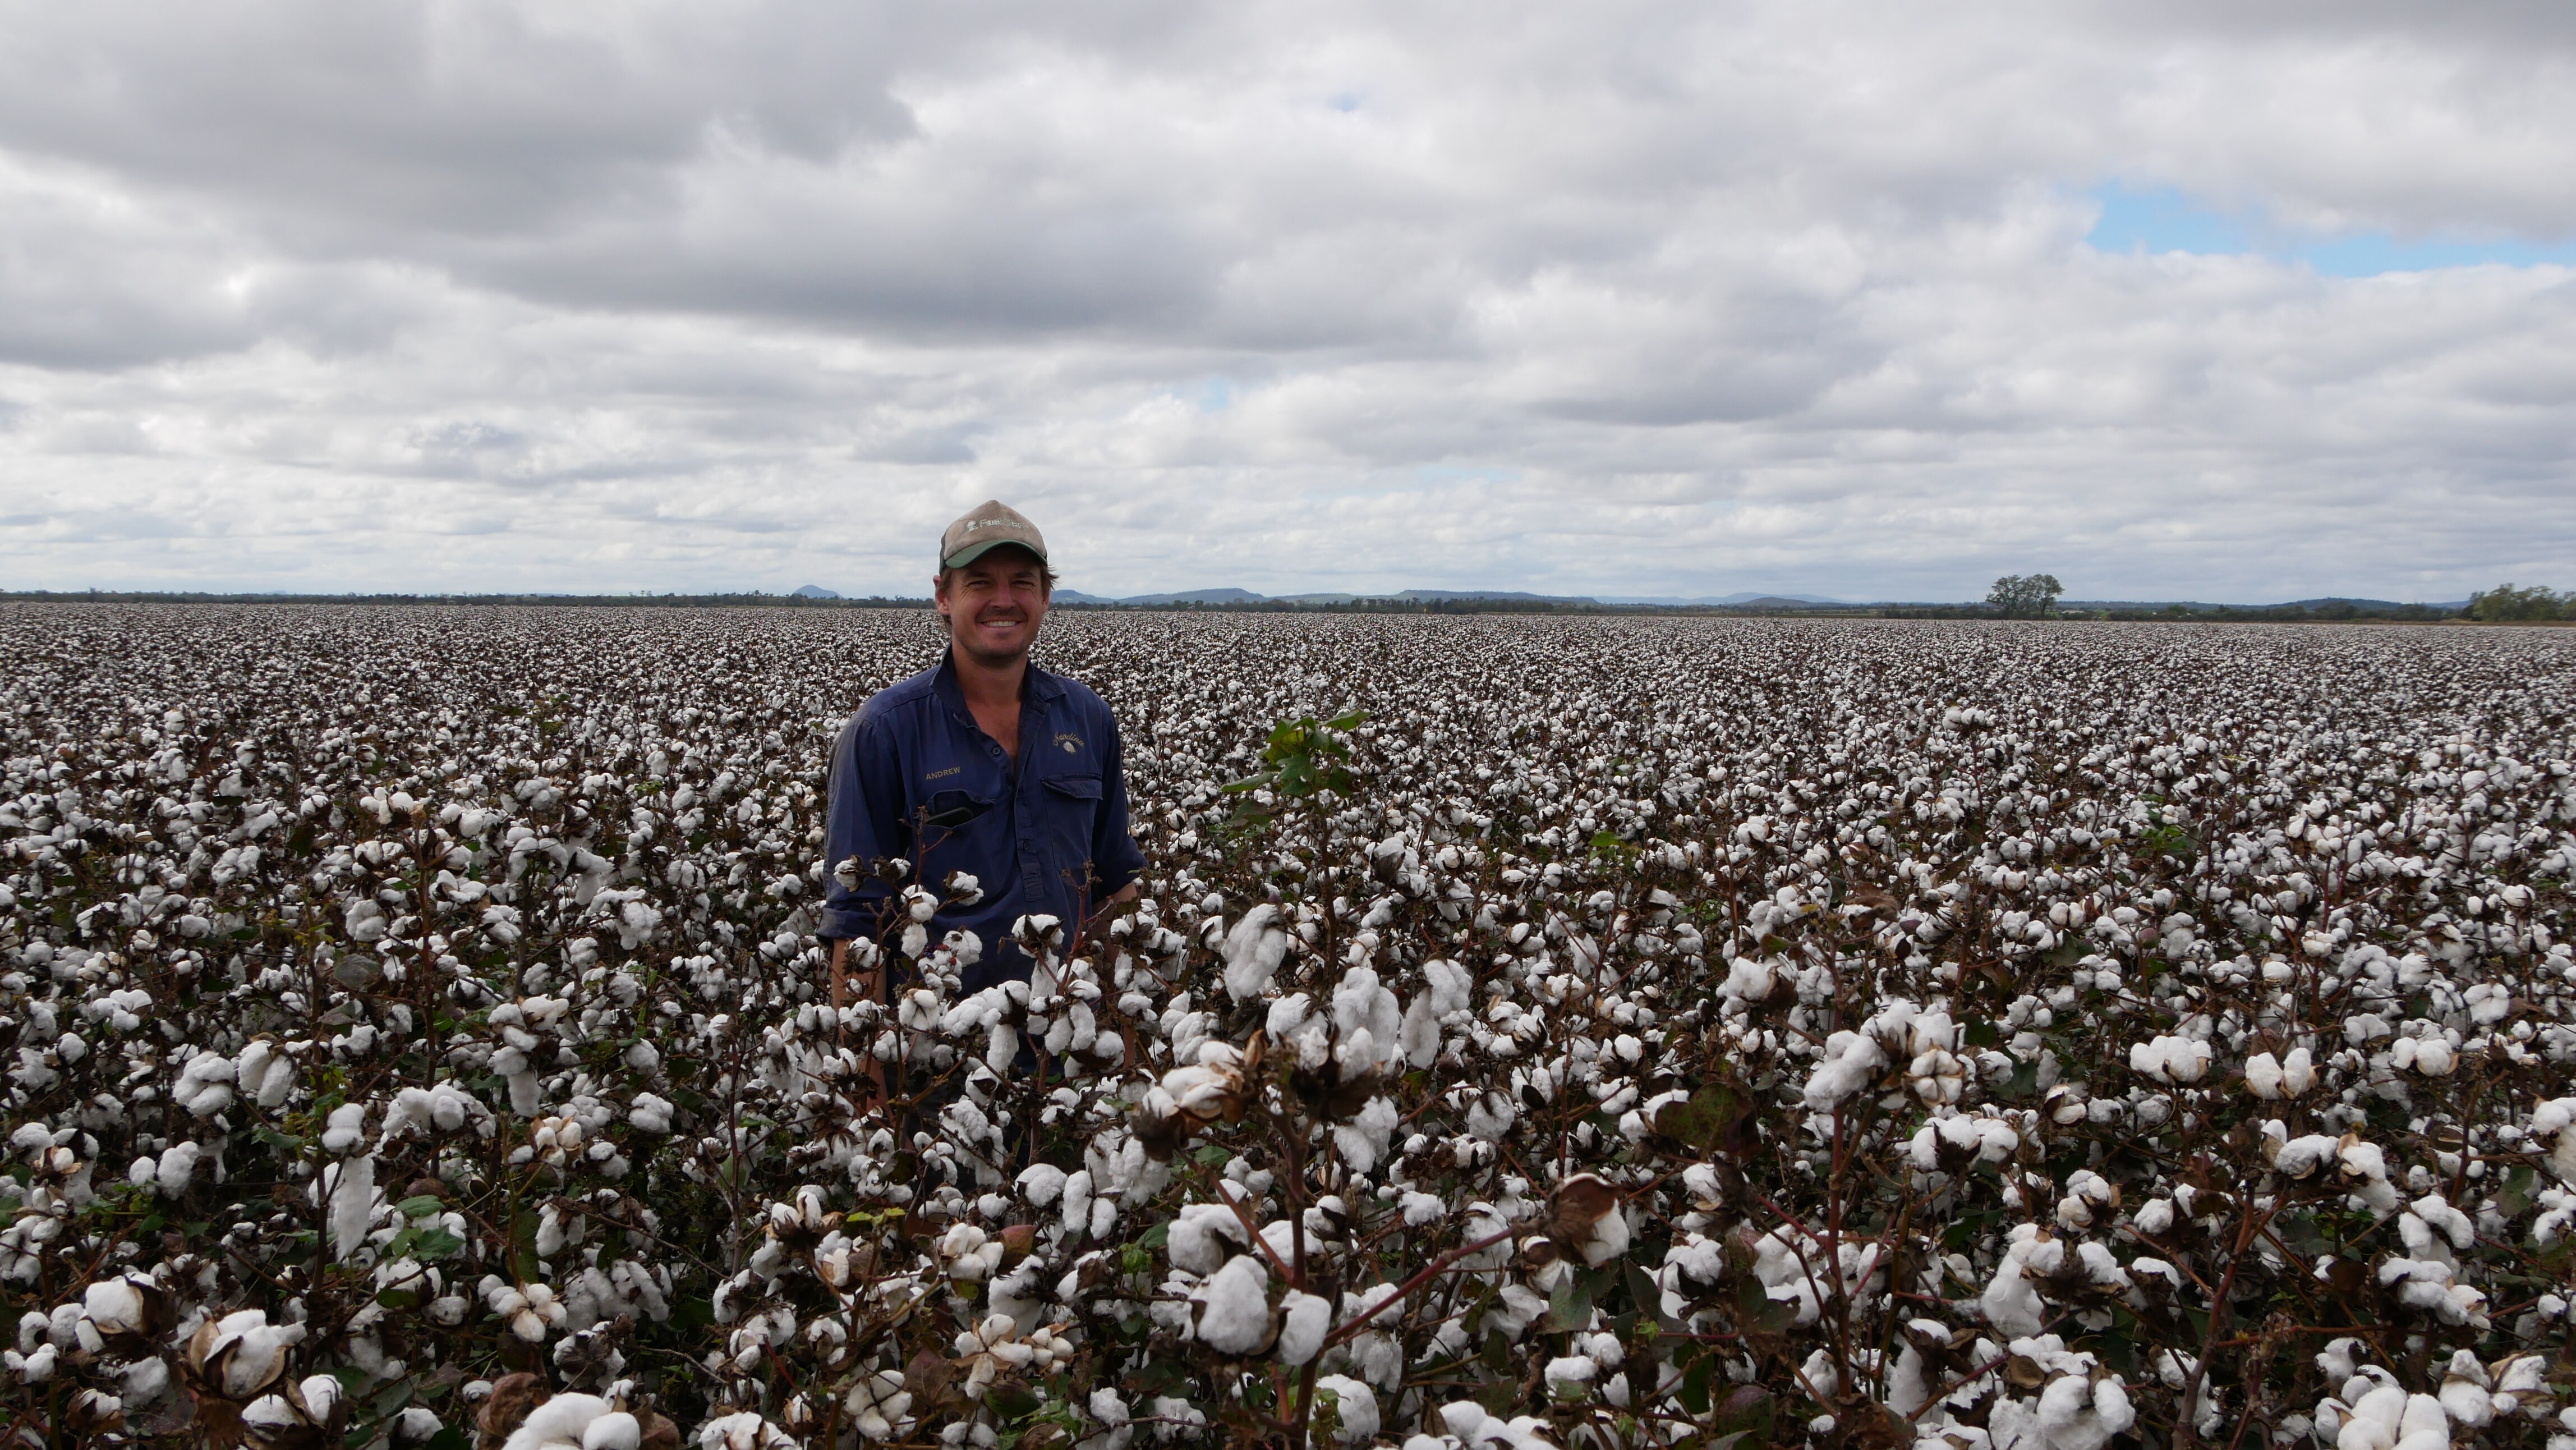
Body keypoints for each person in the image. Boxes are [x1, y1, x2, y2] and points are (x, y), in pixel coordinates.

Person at [817, 499, 1144, 1052]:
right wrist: (867, 1105)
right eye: (980, 583)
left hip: (1067, 1053)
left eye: (1022, 582)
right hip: (934, 1061)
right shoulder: (883, 731)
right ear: (944, 595)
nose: (1003, 600)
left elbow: (1116, 882)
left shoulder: (1088, 718)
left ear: (1045, 596)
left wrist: (1133, 1049)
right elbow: (858, 921)